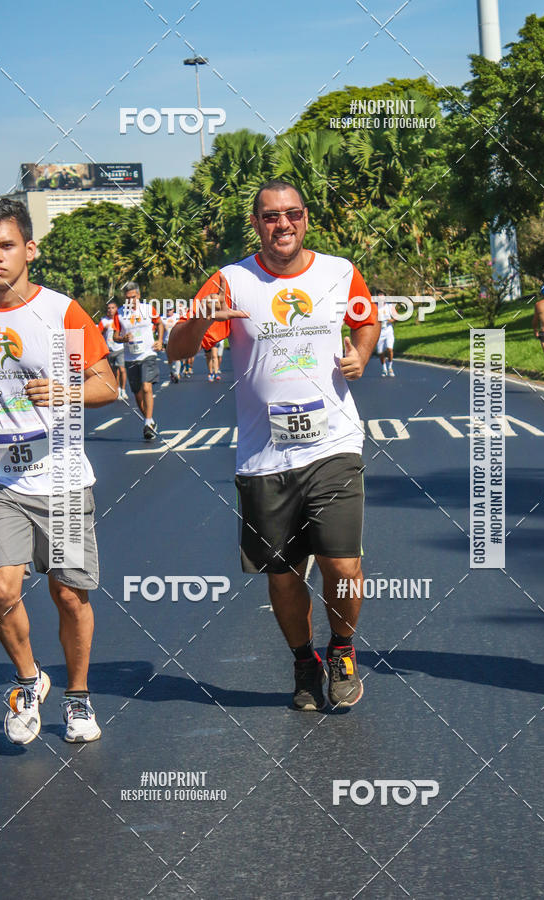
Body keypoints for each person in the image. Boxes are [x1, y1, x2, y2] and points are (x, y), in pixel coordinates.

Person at [169, 179, 380, 712]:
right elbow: (177, 349)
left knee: (343, 567)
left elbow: (367, 319)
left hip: (334, 443)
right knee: (283, 578)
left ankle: (342, 649)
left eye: (292, 214)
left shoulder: (338, 272)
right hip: (265, 458)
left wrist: (360, 352)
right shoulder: (231, 281)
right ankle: (303, 659)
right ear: (257, 223)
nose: (282, 224)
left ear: (306, 218)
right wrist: (200, 316)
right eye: (270, 216)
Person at [0, 198, 117, 744]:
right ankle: (28, 679)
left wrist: (66, 392)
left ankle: (78, 697)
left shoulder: (62, 314)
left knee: (69, 595)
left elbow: (109, 385)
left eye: (6, 245)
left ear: (30, 249)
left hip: (60, 480)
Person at [113, 282, 164, 439]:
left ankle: (147, 423)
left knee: (147, 387)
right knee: (137, 393)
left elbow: (160, 323)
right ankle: (150, 420)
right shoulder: (120, 314)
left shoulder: (149, 309)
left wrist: (160, 340)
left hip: (148, 353)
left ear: (139, 296)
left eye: (133, 297)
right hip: (130, 357)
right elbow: (115, 336)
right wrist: (123, 339)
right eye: (127, 298)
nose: (130, 300)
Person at [98, 300, 128, 400]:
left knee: (122, 369)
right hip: (109, 350)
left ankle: (123, 390)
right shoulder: (104, 321)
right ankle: (118, 389)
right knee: (115, 372)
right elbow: (98, 334)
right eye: (109, 308)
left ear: (116, 309)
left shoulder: (121, 319)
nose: (111, 310)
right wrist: (104, 330)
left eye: (113, 308)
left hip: (120, 348)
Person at [375, 290, 396, 376]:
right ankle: (384, 368)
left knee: (390, 349)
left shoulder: (389, 306)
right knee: (380, 352)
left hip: (388, 330)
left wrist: (390, 320)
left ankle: (390, 367)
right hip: (379, 332)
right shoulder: (375, 308)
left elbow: (396, 317)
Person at [161, 302, 181, 383]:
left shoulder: (177, 316)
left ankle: (177, 373)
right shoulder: (162, 318)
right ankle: (172, 372)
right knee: (170, 359)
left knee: (177, 357)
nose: (169, 311)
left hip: (176, 340)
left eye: (170, 310)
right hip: (166, 341)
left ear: (173, 309)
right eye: (167, 310)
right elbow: (159, 330)